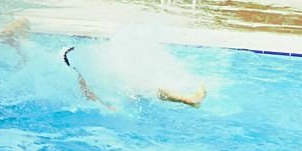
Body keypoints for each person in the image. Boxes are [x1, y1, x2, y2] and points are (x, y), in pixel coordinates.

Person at [60, 46, 207, 108]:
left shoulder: (74, 74)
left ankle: (189, 100)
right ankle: (189, 100)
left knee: (147, 89)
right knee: (148, 89)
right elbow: (88, 95)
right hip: (111, 102)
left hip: (111, 98)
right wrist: (107, 107)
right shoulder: (75, 77)